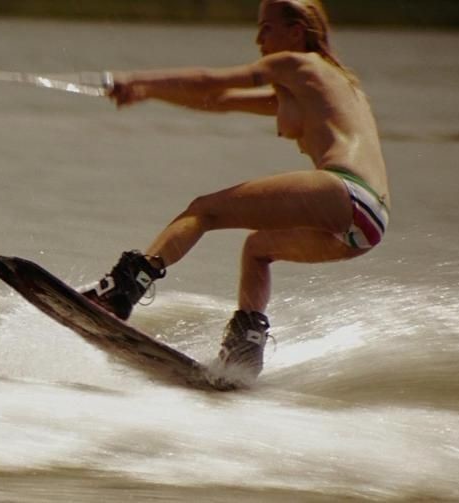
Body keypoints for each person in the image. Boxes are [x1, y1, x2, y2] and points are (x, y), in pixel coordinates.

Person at [81, 0, 390, 388]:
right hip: (369, 223)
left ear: (296, 32)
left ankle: (120, 292)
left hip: (346, 190)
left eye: (267, 28)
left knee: (203, 210)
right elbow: (219, 100)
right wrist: (146, 92)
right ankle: (242, 355)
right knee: (257, 249)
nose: (258, 39)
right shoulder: (322, 83)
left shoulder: (297, 64)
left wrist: (132, 77)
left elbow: (211, 80)